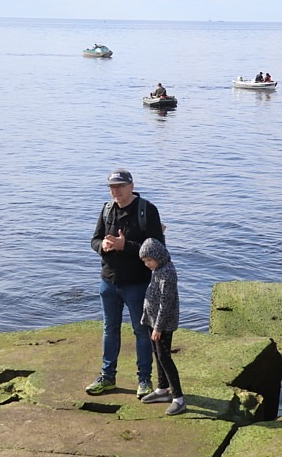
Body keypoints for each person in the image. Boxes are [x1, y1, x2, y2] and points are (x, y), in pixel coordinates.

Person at [86, 169, 165, 399]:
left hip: (137, 284)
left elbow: (156, 246)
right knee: (110, 330)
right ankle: (107, 377)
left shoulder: (146, 210)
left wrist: (125, 246)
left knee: (141, 331)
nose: (115, 191)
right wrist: (104, 247)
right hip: (108, 282)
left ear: (131, 186)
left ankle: (144, 380)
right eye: (112, 187)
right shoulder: (107, 209)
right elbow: (94, 239)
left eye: (120, 186)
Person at [138, 238, 186, 416]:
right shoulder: (158, 269)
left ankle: (178, 398)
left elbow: (165, 304)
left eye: (149, 260)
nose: (147, 264)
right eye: (144, 261)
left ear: (158, 256)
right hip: (153, 320)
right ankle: (162, 389)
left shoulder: (167, 273)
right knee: (157, 355)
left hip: (163, 324)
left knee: (165, 357)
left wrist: (158, 328)